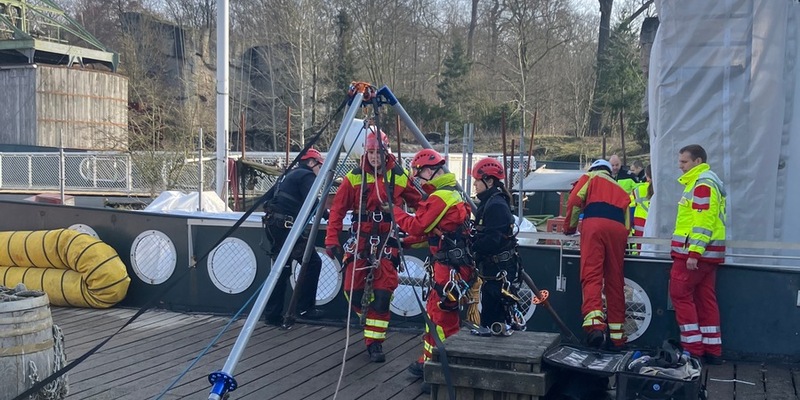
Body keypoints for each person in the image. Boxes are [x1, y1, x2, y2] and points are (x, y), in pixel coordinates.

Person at [324, 128, 421, 363]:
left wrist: (429, 224)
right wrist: (331, 239)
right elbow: (337, 210)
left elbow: (421, 203)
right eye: (370, 152)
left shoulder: (399, 176)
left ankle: (374, 343)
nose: (374, 156)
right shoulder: (354, 177)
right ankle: (366, 320)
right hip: (360, 242)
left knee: (382, 296)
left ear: (386, 152)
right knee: (352, 292)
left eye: (378, 152)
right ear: (364, 153)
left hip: (388, 242)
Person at [392, 149, 473, 381]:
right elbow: (431, 232)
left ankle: (442, 368)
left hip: (448, 269)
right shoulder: (450, 194)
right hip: (450, 266)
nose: (417, 179)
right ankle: (429, 361)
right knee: (436, 315)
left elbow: (417, 226)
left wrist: (394, 212)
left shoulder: (440, 197)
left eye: (419, 174)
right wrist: (404, 243)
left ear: (430, 171)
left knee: (442, 318)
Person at [563, 159, 631, 350]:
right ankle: (617, 337)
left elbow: (575, 200)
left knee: (592, 274)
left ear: (594, 169)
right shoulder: (620, 189)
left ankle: (595, 327)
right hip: (618, 231)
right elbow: (627, 225)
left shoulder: (590, 177)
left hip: (594, 225)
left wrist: (570, 227)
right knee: (615, 279)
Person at [670, 144, 726, 365]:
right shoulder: (709, 182)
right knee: (705, 299)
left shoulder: (701, 184)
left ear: (698, 161)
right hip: (709, 254)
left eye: (684, 162)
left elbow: (703, 221)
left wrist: (694, 251)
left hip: (692, 255)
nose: (680, 166)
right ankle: (712, 350)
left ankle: (692, 350)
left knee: (680, 295)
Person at [262, 148, 326, 327]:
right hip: (287, 229)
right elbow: (313, 202)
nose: (320, 171)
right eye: (320, 166)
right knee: (312, 263)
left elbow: (266, 199)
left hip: (274, 226)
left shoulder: (287, 175)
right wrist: (329, 215)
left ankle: (272, 315)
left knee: (281, 270)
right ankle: (305, 308)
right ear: (312, 162)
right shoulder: (307, 177)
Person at [470, 158, 524, 336]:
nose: (475, 184)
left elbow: (492, 240)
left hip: (499, 268)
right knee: (490, 296)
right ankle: (488, 329)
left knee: (495, 300)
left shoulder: (496, 205)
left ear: (489, 181)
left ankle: (493, 331)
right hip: (495, 267)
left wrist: (470, 244)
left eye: (478, 180)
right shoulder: (491, 202)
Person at [631, 164, 653, 241]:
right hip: (657, 227)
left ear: (646, 175)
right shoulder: (664, 190)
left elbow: (630, 208)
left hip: (641, 225)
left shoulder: (637, 190)